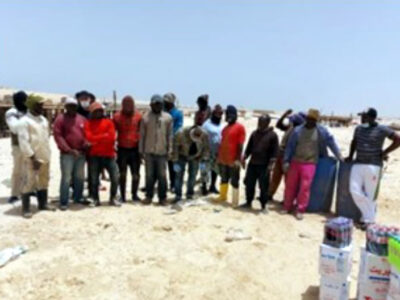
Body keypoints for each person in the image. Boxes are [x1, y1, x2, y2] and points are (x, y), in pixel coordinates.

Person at [283, 109, 343, 220]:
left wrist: (339, 156)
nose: (310, 121)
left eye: (313, 120)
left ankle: (300, 209)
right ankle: (287, 206)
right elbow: (290, 147)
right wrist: (286, 161)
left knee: (305, 188)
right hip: (295, 161)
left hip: (310, 163)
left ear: (316, 120)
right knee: (290, 186)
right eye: (308, 119)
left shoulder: (322, 131)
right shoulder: (297, 131)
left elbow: (331, 143)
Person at [347, 108, 400, 229]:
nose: (362, 119)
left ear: (372, 117)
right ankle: (368, 217)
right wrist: (350, 156)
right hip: (358, 163)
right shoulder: (358, 129)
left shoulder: (382, 129)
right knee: (354, 191)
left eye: (365, 117)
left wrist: (384, 152)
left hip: (374, 165)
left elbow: (398, 139)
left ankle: (367, 220)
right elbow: (354, 142)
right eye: (362, 117)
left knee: (371, 195)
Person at [18, 95, 54, 218]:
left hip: (45, 154)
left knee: (44, 180)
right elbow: (23, 142)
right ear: (32, 105)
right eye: (39, 105)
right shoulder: (24, 121)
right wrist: (33, 158)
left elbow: (46, 137)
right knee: (29, 181)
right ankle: (26, 208)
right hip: (31, 157)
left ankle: (43, 204)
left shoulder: (43, 120)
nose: (41, 107)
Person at [53, 98, 88, 210]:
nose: (72, 108)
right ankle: (64, 201)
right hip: (67, 154)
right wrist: (68, 149)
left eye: (74, 105)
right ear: (66, 107)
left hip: (81, 153)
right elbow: (58, 136)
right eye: (70, 106)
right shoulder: (60, 119)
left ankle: (78, 197)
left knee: (80, 177)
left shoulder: (82, 119)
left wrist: (86, 144)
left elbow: (87, 134)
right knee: (66, 178)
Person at [84, 102, 120, 207]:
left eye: (100, 110)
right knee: (94, 179)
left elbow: (111, 138)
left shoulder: (109, 122)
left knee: (115, 177)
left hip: (109, 155)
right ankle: (95, 199)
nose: (98, 113)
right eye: (95, 111)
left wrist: (96, 140)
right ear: (91, 112)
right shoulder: (88, 124)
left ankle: (113, 198)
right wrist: (103, 136)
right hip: (94, 155)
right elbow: (89, 137)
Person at [139, 94, 173, 205]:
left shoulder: (168, 118)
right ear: (151, 104)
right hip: (148, 151)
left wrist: (170, 149)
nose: (157, 106)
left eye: (159, 104)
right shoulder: (145, 117)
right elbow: (142, 135)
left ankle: (162, 198)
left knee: (162, 176)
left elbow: (170, 136)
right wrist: (141, 150)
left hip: (162, 152)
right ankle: (149, 196)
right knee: (149, 175)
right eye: (155, 104)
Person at [242, 115, 279, 213]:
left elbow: (275, 152)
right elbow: (249, 148)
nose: (260, 123)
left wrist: (271, 165)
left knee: (264, 186)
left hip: (264, 166)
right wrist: (244, 157)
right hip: (253, 164)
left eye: (262, 122)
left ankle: (263, 205)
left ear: (267, 123)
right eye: (259, 121)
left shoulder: (273, 135)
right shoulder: (254, 134)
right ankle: (248, 202)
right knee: (249, 184)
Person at [268, 110, 305, 201]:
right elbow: (278, 124)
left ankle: (287, 199)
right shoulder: (291, 127)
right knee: (275, 176)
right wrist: (284, 114)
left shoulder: (300, 132)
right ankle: (269, 194)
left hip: (289, 157)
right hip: (280, 154)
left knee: (288, 180)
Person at [172, 115, 210, 203]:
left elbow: (206, 148)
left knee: (193, 176)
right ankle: (178, 195)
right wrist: (175, 161)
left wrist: (203, 160)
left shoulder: (204, 135)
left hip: (195, 156)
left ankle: (189, 194)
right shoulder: (180, 133)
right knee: (179, 176)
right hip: (182, 155)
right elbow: (175, 147)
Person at [113, 95, 142, 203]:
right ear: (122, 105)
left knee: (135, 174)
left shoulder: (139, 116)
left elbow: (142, 132)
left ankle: (134, 195)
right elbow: (112, 132)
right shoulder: (116, 117)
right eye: (126, 104)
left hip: (135, 149)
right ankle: (123, 196)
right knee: (122, 174)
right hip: (122, 149)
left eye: (130, 104)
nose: (128, 106)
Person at [216, 105, 246, 207]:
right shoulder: (225, 128)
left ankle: (235, 201)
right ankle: (222, 196)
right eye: (227, 114)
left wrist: (238, 159)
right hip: (223, 159)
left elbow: (240, 145)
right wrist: (219, 157)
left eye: (230, 114)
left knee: (234, 180)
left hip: (234, 160)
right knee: (223, 178)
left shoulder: (240, 128)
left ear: (235, 115)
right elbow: (222, 143)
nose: (228, 116)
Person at [5, 91, 28, 203]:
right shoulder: (11, 112)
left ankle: (28, 190)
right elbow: (14, 128)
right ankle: (15, 193)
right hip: (18, 145)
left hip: (30, 145)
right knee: (17, 169)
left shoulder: (27, 112)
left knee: (29, 169)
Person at [163, 92, 183, 192]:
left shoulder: (177, 114)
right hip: (162, 142)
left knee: (172, 165)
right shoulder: (161, 112)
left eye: (166, 102)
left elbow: (178, 128)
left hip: (173, 142)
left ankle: (173, 184)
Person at [201, 104, 224, 194]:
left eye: (221, 113)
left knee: (215, 170)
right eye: (217, 113)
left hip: (217, 152)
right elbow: (201, 137)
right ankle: (204, 187)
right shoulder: (206, 124)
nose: (219, 115)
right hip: (207, 151)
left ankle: (212, 186)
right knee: (205, 170)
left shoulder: (221, 125)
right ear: (213, 113)